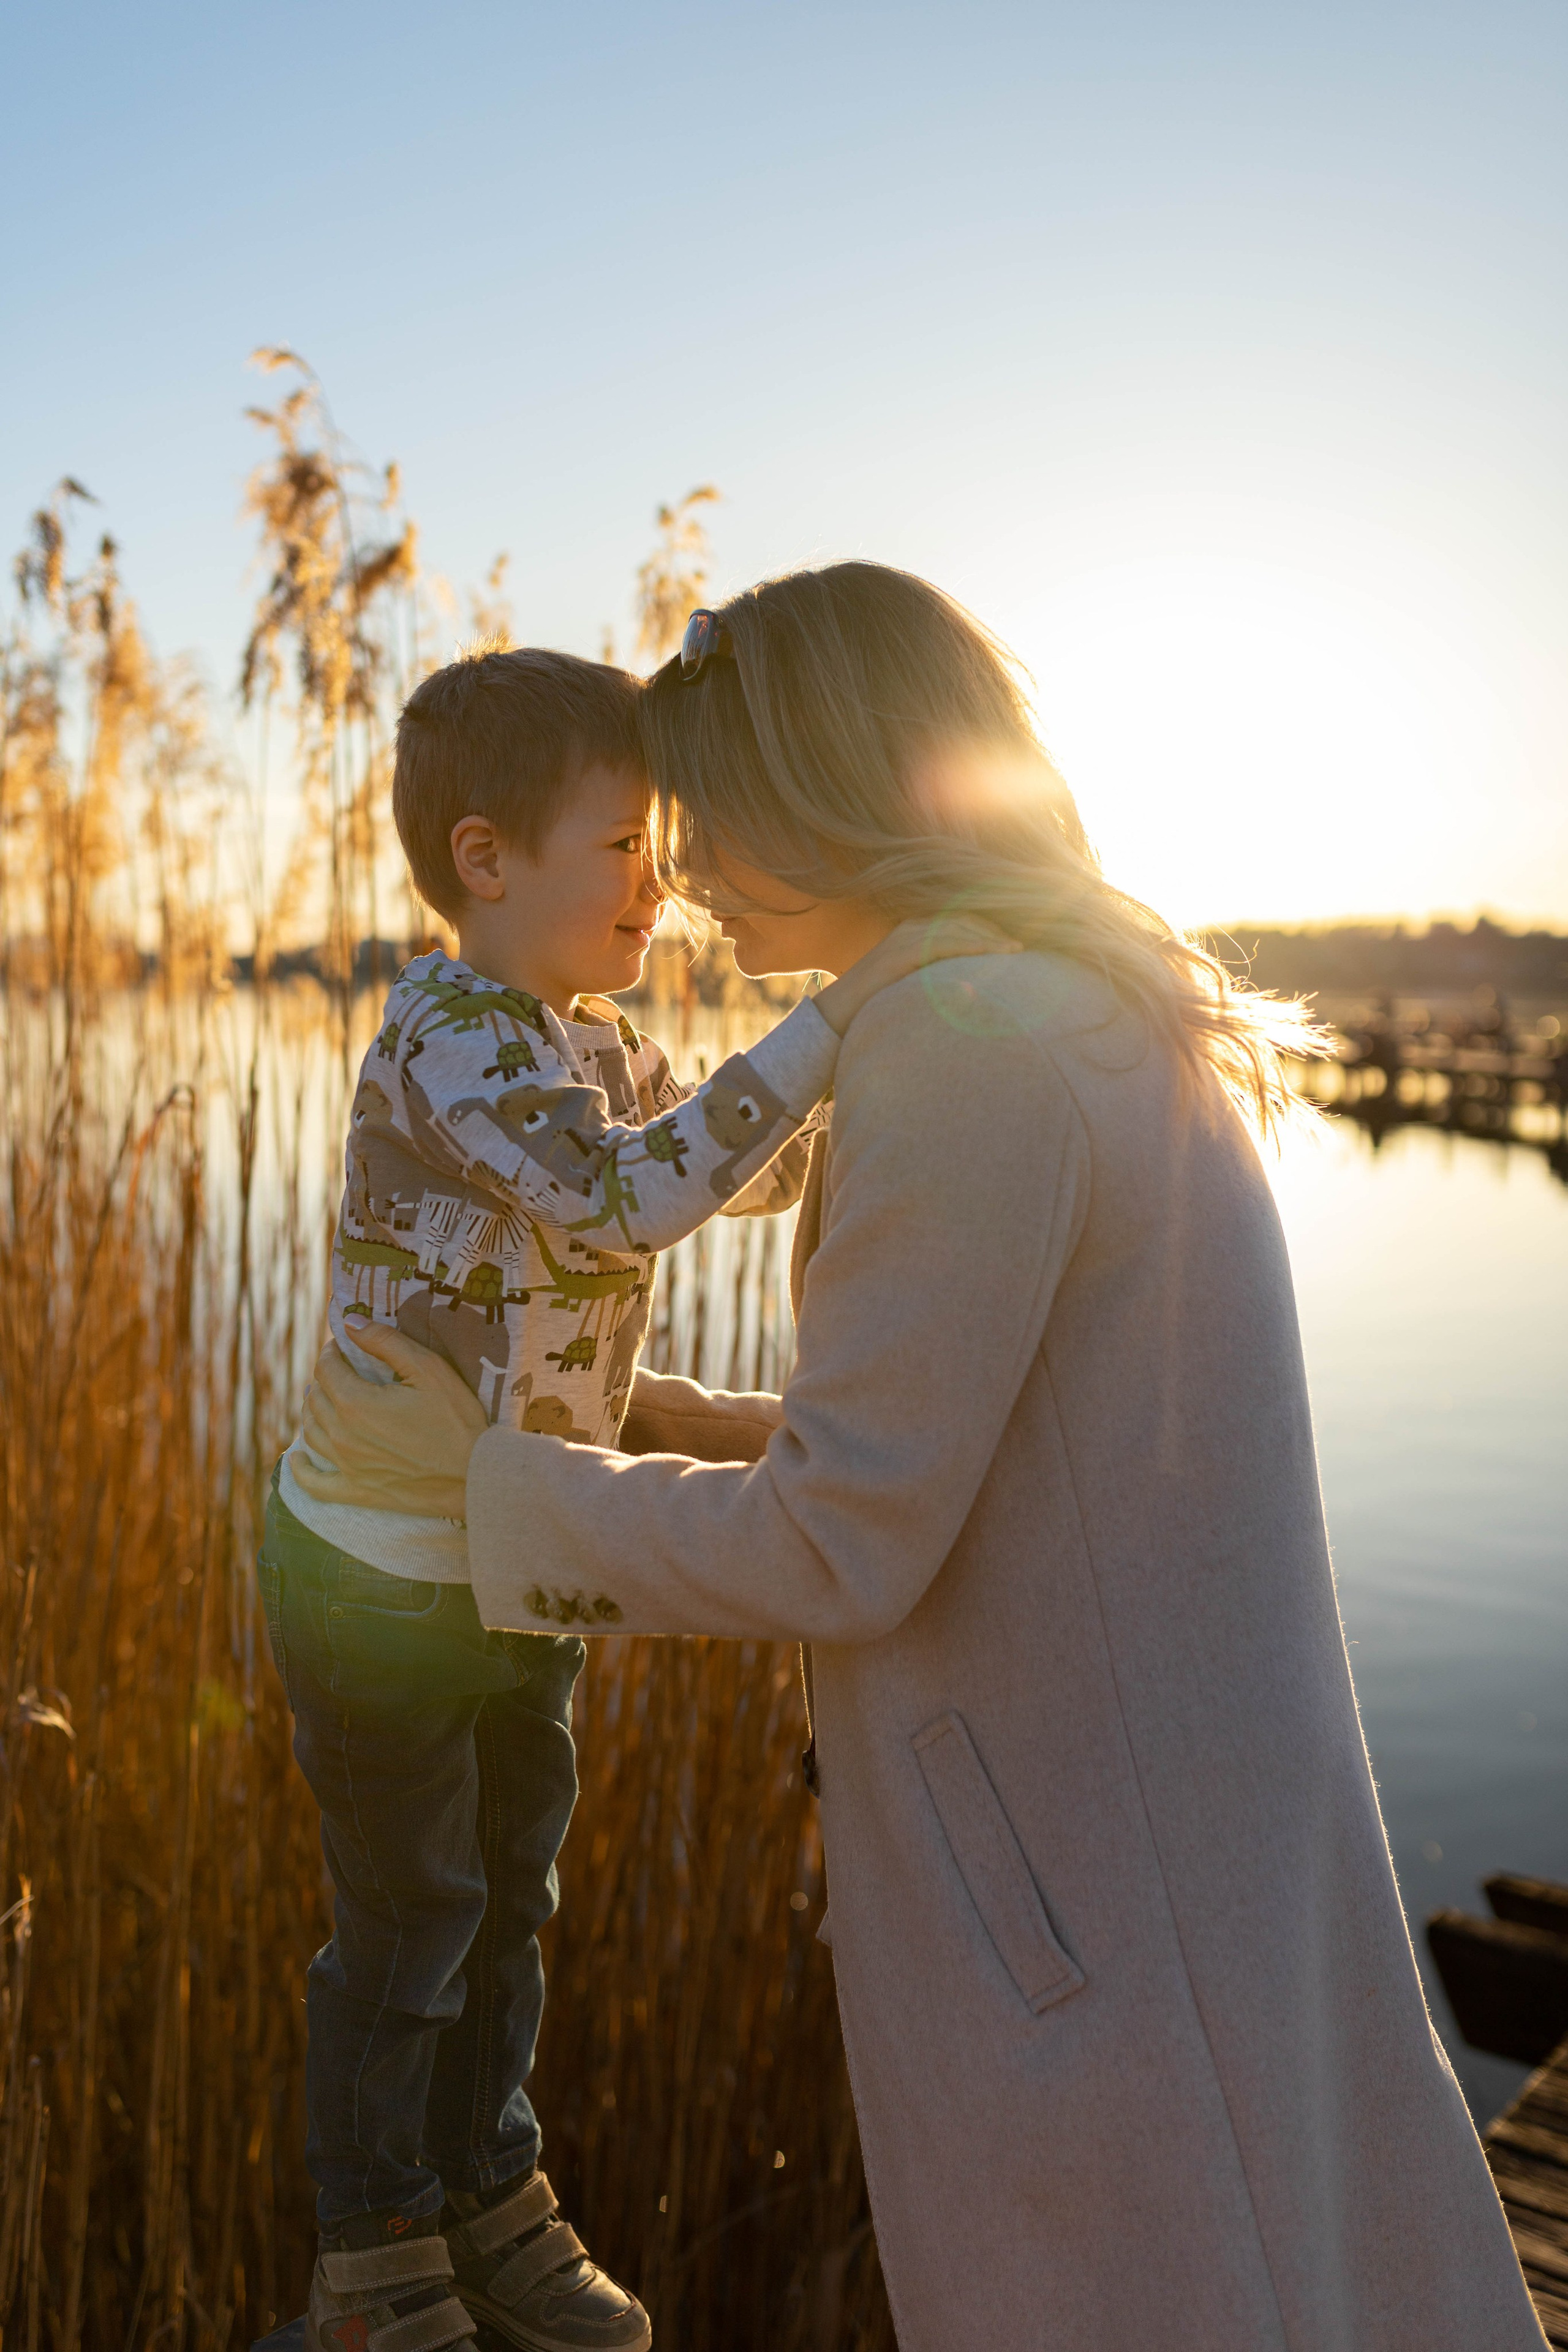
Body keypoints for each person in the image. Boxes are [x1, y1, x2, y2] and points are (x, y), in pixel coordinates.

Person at [296, 570, 1548, 2352]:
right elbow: (996, 1454)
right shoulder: (1065, 1002)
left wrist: (491, 1493)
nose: (687, 870)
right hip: (1170, 1833)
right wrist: (645, 1418)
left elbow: (840, 1544)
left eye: (708, 811)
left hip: (1092, 1905)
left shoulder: (970, 1055)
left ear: (828, 790)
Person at [264, 643, 951, 2352]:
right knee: (410, 1920)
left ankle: (490, 2193)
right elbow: (625, 1203)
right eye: (627, 846)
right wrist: (832, 1020)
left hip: (518, 1552)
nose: (662, 883)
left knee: (515, 1896)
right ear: (487, 861)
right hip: (381, 1573)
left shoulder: (592, 1040)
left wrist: (919, 1052)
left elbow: (741, 1166)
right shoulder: (450, 1040)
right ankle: (376, 2254)